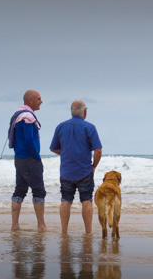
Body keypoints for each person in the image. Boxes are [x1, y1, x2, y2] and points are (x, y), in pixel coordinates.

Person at [50, 99, 103, 235]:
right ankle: (88, 232)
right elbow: (98, 150)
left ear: (71, 112)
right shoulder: (89, 127)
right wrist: (94, 166)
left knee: (65, 200)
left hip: (66, 171)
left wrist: (66, 152)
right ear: (85, 112)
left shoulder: (61, 126)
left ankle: (64, 232)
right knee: (86, 200)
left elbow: (53, 148)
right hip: (84, 171)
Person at [9, 89, 49, 232]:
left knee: (19, 190)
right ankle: (41, 226)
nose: (41, 101)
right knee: (39, 191)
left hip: (19, 158)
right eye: (39, 99)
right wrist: (37, 158)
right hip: (29, 159)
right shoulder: (27, 117)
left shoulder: (17, 115)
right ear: (30, 101)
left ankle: (14, 225)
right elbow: (29, 140)